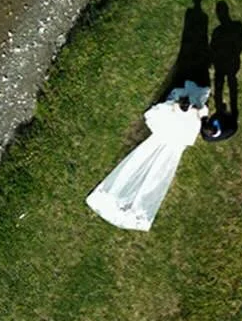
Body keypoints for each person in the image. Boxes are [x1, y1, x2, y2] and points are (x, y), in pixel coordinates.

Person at [86, 88, 207, 231]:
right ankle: (137, 207)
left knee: (135, 166)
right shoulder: (193, 120)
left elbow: (152, 115)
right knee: (157, 176)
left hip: (156, 144)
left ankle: (116, 195)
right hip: (171, 152)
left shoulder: (170, 112)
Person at [209, 0, 242, 120]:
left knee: (219, 86)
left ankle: (220, 108)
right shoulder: (237, 26)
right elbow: (241, 43)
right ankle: (233, 108)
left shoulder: (217, 31)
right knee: (231, 82)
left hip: (221, 62)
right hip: (231, 61)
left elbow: (213, 47)